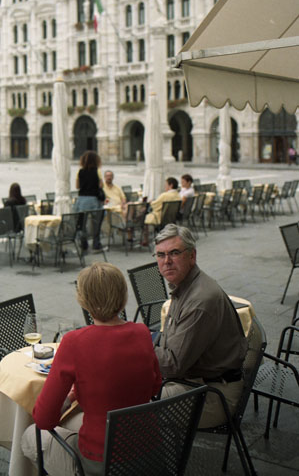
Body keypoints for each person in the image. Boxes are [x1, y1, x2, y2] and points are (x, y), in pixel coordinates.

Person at [21, 262, 162, 476]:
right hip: (148, 451)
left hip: (100, 461)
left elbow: (44, 419)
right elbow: (154, 386)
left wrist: (71, 397)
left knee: (30, 436)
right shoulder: (142, 333)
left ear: (84, 300)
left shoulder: (74, 342)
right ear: (123, 296)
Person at [153, 224, 248, 428]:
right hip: (198, 381)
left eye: (174, 253)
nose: (166, 261)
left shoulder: (199, 300)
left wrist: (137, 347)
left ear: (192, 256)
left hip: (213, 396)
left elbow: (173, 365)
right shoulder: (187, 284)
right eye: (160, 255)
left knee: (129, 402)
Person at [74, 150, 104, 251]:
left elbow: (77, 186)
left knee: (82, 223)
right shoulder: (97, 171)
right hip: (93, 199)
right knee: (96, 223)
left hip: (82, 200)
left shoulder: (80, 171)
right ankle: (96, 243)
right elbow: (101, 185)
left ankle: (84, 243)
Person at [142, 177, 181, 245]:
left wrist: (151, 202)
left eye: (166, 185)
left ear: (171, 185)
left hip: (160, 217)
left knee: (143, 217)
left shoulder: (165, 195)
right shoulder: (178, 195)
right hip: (171, 218)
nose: (165, 186)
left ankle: (145, 240)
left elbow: (155, 205)